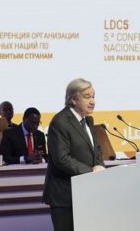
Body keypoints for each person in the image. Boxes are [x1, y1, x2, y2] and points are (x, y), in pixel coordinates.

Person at [43, 78, 105, 231]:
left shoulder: (88, 120)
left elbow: (96, 149)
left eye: (93, 96)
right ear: (73, 100)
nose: (93, 101)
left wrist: (99, 165)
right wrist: (91, 172)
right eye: (87, 97)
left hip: (86, 193)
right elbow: (61, 159)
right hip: (65, 196)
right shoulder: (60, 122)